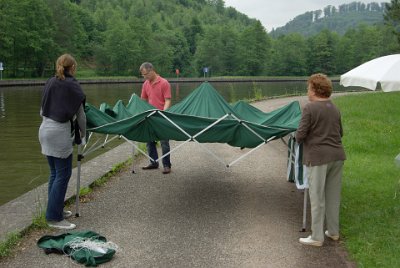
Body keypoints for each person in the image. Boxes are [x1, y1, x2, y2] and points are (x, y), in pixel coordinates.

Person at [296, 73, 346, 247]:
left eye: (309, 88)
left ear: (315, 90)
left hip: (318, 159)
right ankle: (333, 232)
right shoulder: (334, 108)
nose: (307, 91)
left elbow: (300, 135)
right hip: (337, 157)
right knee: (333, 197)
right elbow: (341, 133)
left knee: (317, 198)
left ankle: (317, 237)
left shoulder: (309, 108)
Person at [38, 54, 86, 230]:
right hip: (59, 133)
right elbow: (81, 115)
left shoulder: (50, 82)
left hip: (44, 130)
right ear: (73, 67)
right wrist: (84, 134)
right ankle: (54, 218)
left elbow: (42, 109)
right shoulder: (72, 85)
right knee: (63, 175)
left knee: (54, 174)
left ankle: (55, 209)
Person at [139, 62, 172, 174]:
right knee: (149, 141)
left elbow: (167, 100)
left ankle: (167, 165)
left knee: (164, 143)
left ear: (152, 70)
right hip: (150, 116)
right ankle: (154, 162)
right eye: (143, 75)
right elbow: (143, 100)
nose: (145, 77)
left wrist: (164, 113)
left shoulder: (164, 83)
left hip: (161, 116)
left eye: (146, 74)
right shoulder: (145, 84)